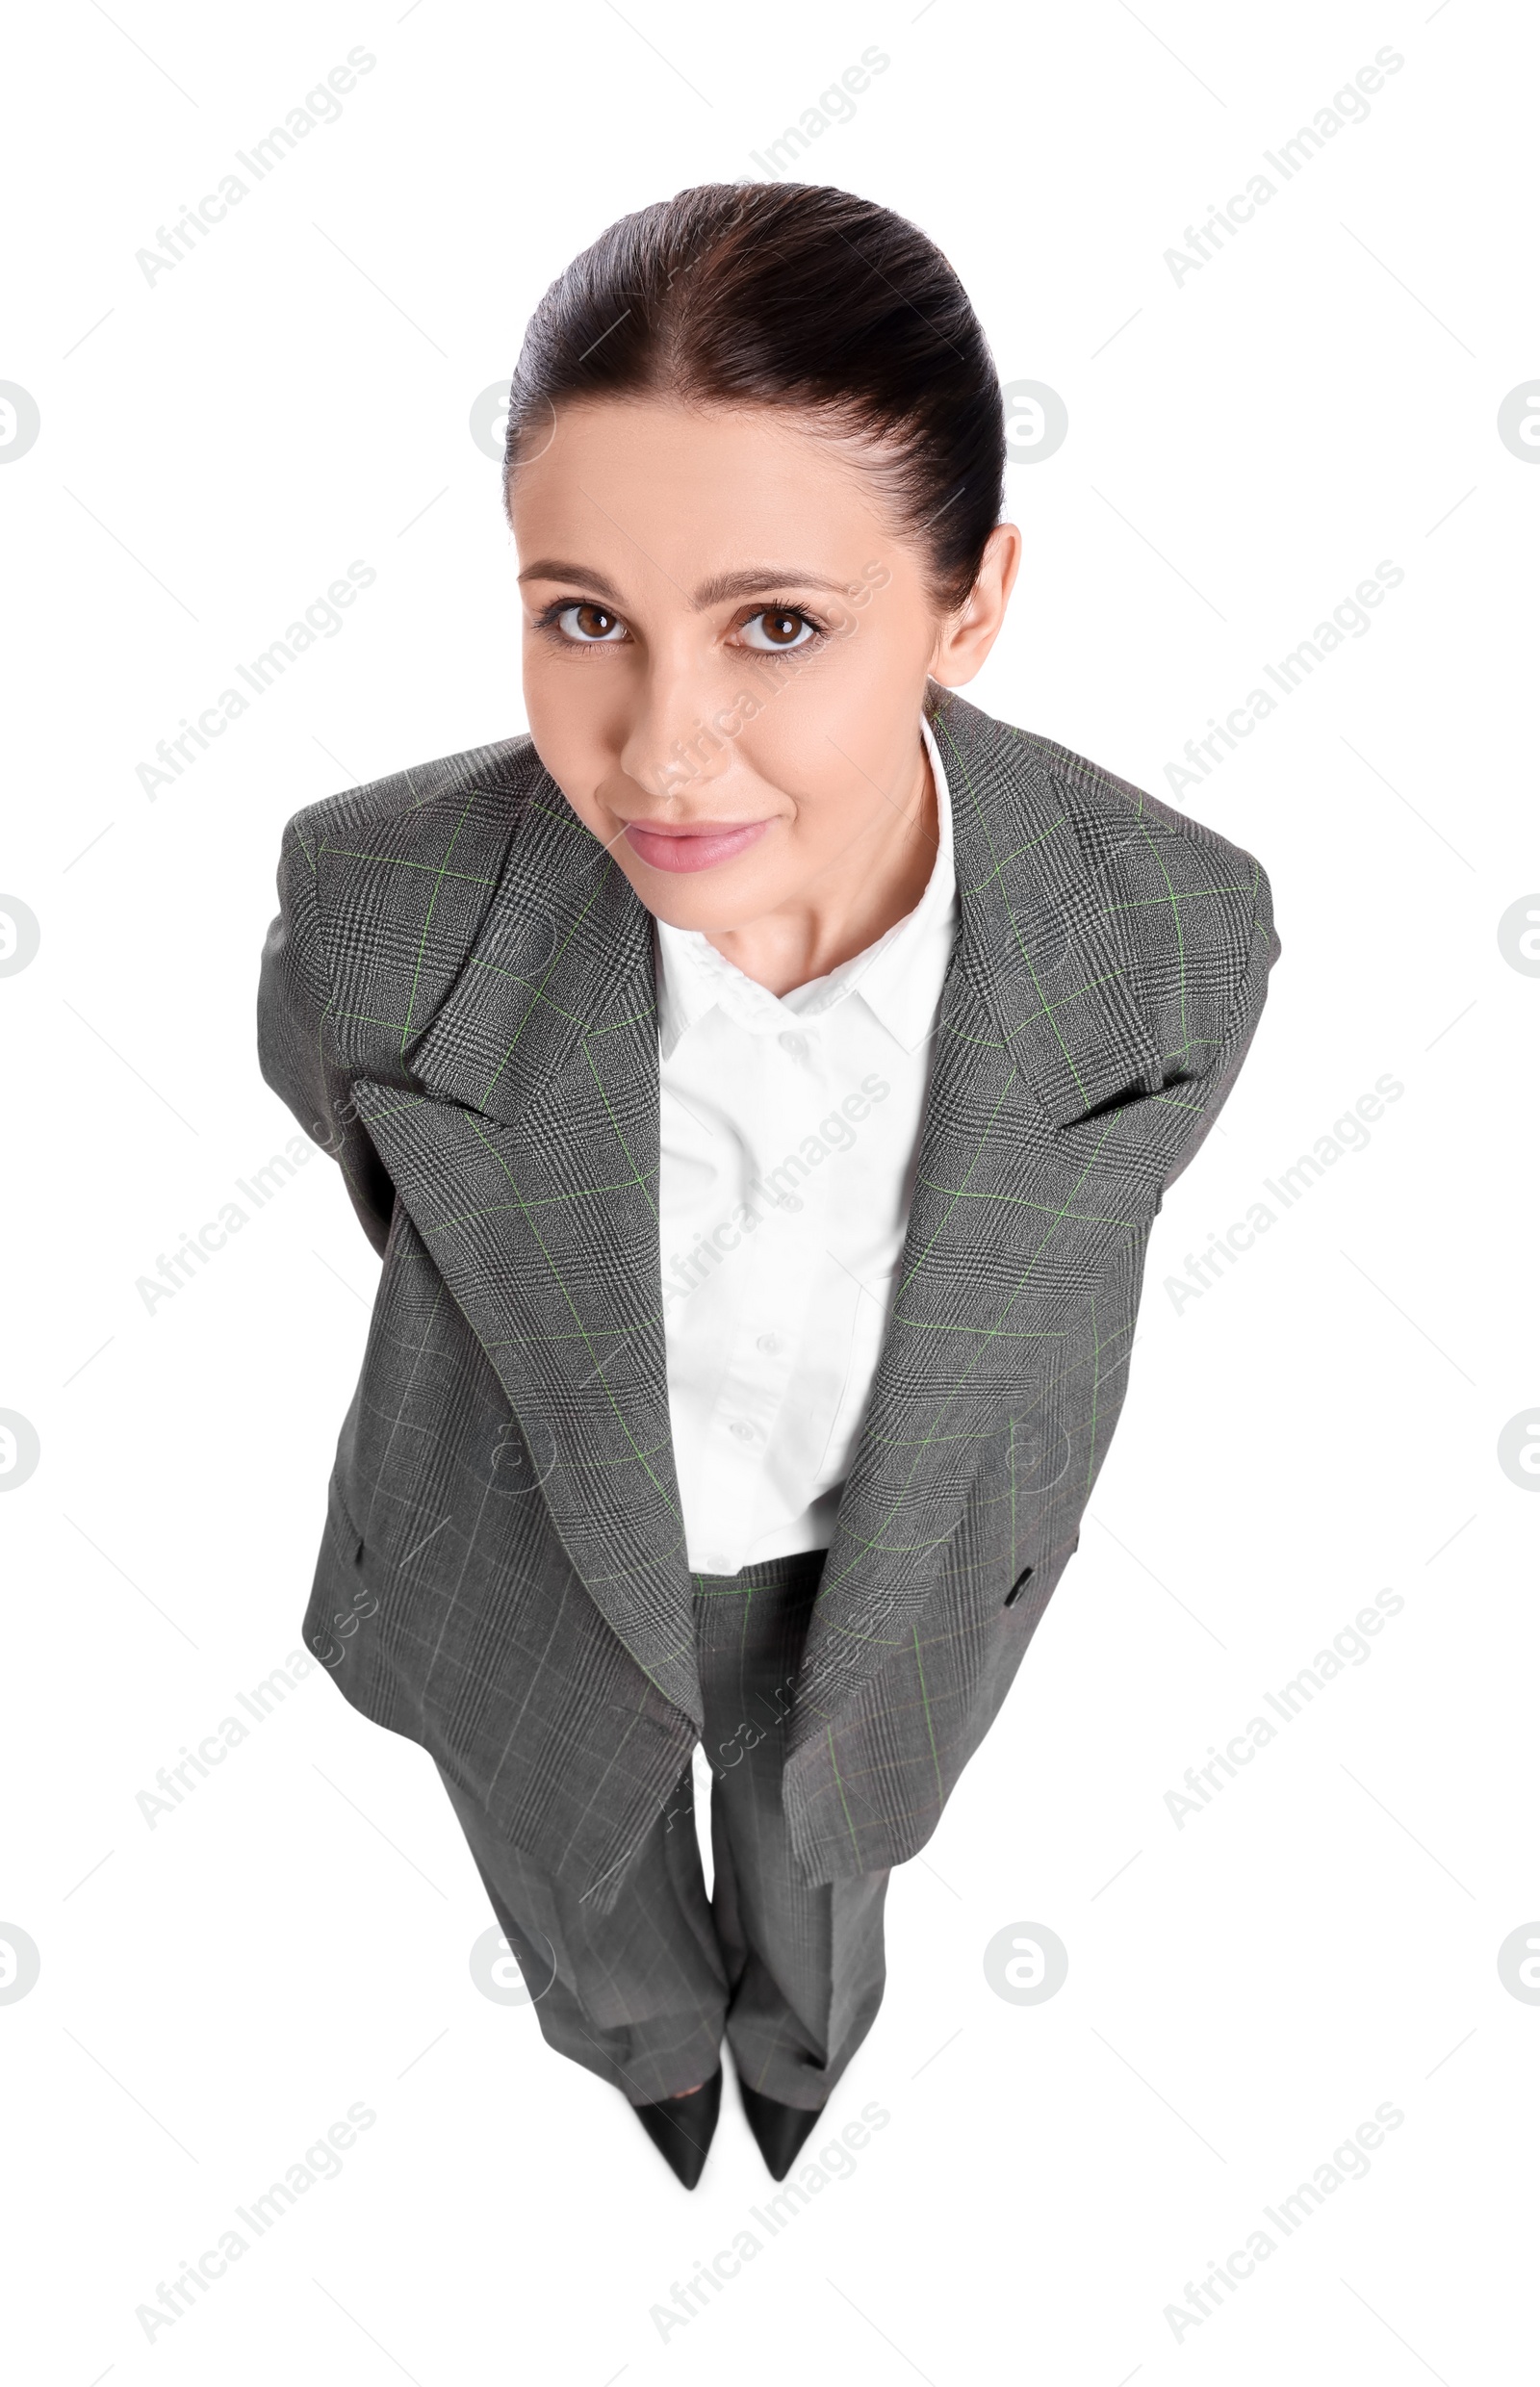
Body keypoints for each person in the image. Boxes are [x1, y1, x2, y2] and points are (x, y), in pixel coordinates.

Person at [257, 180, 1279, 2190]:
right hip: (525, 1555)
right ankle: (638, 2056)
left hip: (884, 1574)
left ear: (969, 601)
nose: (660, 750)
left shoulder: (1169, 933)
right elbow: (379, 1166)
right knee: (569, 1857)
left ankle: (801, 2057)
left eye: (780, 626)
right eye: (583, 618)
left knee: (833, 1861)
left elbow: (1075, 1247)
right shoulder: (380, 907)